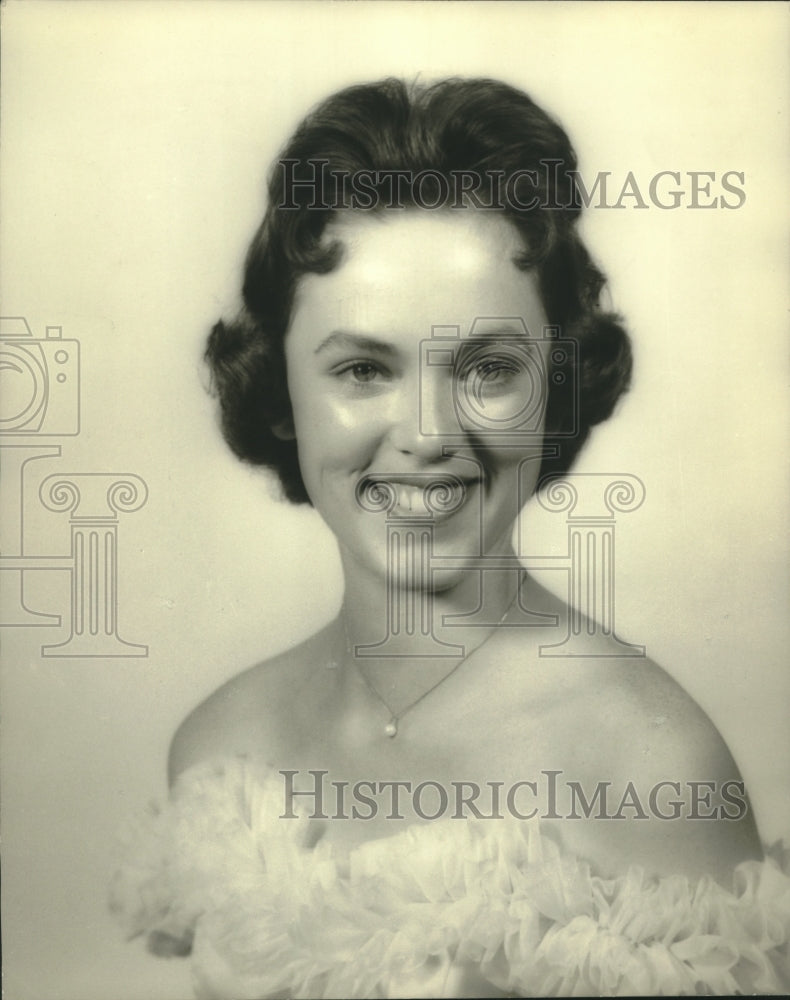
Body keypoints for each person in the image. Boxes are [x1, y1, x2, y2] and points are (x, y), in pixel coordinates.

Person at [110, 78, 789, 998]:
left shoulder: (645, 761)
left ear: (557, 386)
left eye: (490, 368)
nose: (429, 433)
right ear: (279, 392)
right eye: (362, 368)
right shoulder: (220, 749)